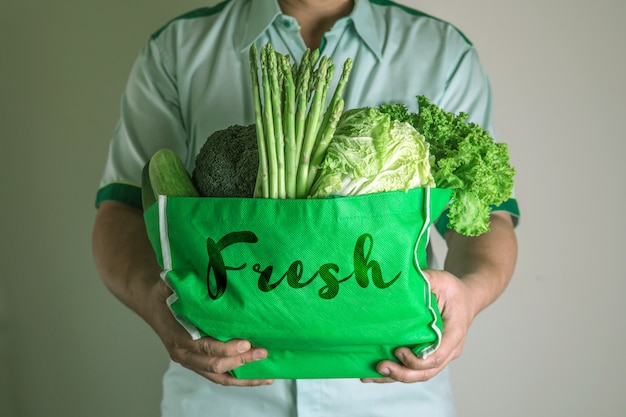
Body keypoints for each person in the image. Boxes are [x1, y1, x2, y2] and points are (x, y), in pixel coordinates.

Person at [92, 0, 519, 415]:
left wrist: (471, 293)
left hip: (390, 397)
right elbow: (124, 210)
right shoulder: (178, 47)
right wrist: (153, 305)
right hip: (222, 396)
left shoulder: (441, 50)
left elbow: (481, 217)